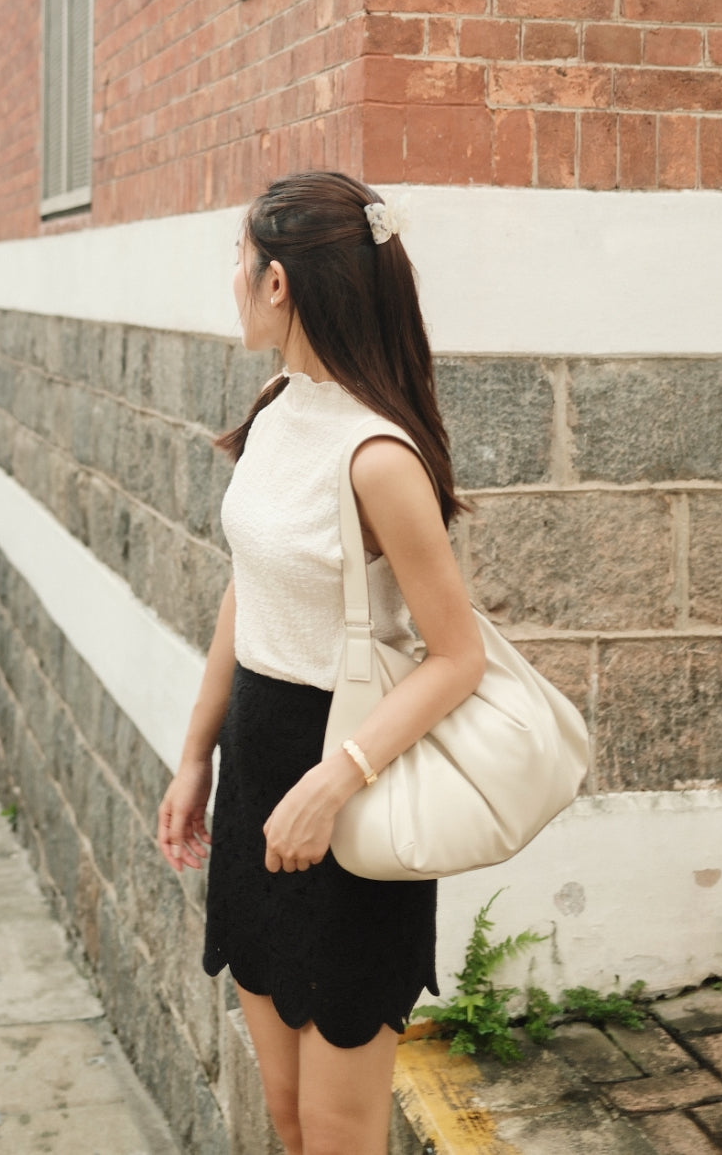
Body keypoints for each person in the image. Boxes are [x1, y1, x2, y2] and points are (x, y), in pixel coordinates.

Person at [157, 172, 488, 1155]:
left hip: (347, 777)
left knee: (343, 1132)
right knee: (290, 1115)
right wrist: (194, 757)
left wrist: (334, 780)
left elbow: (457, 656)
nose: (234, 279)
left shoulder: (377, 454)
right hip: (258, 767)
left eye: (240, 261)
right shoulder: (275, 406)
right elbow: (245, 592)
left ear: (278, 285)